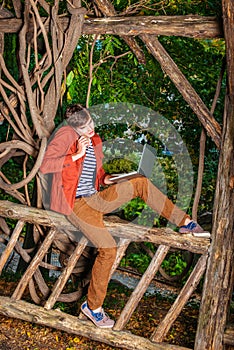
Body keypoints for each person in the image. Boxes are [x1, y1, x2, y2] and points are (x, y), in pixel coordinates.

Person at [40, 104, 205, 328]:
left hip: (96, 197)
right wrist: (76, 153)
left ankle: (186, 223)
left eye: (91, 123)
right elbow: (44, 166)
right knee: (108, 249)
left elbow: (98, 176)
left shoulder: (95, 140)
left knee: (140, 182)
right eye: (84, 127)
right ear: (73, 128)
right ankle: (93, 307)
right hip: (76, 205)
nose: (90, 129)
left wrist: (116, 178)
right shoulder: (65, 137)